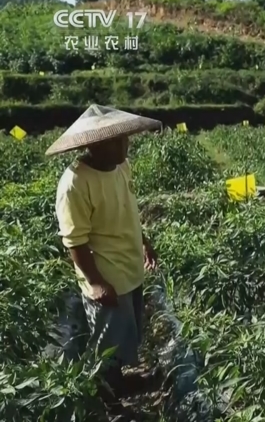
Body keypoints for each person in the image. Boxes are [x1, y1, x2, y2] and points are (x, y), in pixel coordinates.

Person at [48, 105, 161, 405]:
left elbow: (129, 209)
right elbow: (75, 240)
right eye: (116, 141)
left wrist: (143, 242)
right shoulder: (75, 182)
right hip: (107, 274)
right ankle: (108, 400)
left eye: (124, 138)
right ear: (95, 145)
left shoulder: (121, 166)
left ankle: (121, 382)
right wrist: (95, 282)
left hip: (130, 267)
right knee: (107, 343)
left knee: (125, 332)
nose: (125, 145)